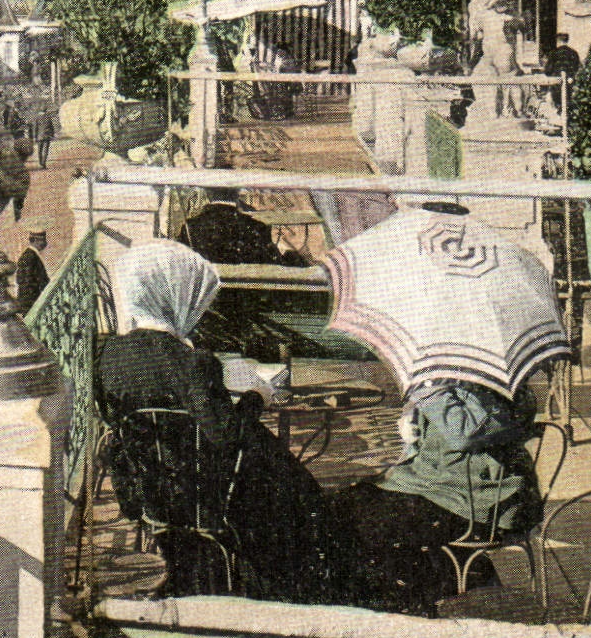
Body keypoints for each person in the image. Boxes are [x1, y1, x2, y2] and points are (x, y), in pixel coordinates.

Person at [95, 241, 353, 605]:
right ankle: (293, 581)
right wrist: (256, 397)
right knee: (292, 480)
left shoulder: (108, 353)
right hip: (204, 492)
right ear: (176, 297)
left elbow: (117, 417)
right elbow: (225, 434)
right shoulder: (193, 362)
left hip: (148, 488)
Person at [331, 380, 541, 616]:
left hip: (480, 504)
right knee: (345, 503)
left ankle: (416, 594)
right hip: (444, 488)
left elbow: (464, 434)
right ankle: (448, 575)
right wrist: (412, 411)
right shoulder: (467, 384)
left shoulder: (498, 389)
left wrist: (430, 392)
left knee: (365, 522)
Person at [176, 187, 304, 266]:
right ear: (237, 192)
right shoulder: (255, 226)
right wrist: (290, 255)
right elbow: (271, 264)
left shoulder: (190, 227)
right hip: (246, 302)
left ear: (208, 192)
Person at [13, 227, 50, 316]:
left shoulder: (31, 255)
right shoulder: (29, 257)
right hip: (30, 303)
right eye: (42, 240)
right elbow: (26, 282)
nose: (45, 243)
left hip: (32, 302)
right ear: (34, 240)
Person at [543, 33, 581, 112]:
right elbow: (577, 68)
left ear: (558, 41)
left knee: (554, 103)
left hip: (556, 85)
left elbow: (547, 71)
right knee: (568, 104)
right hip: (569, 84)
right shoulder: (574, 53)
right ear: (567, 40)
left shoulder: (554, 53)